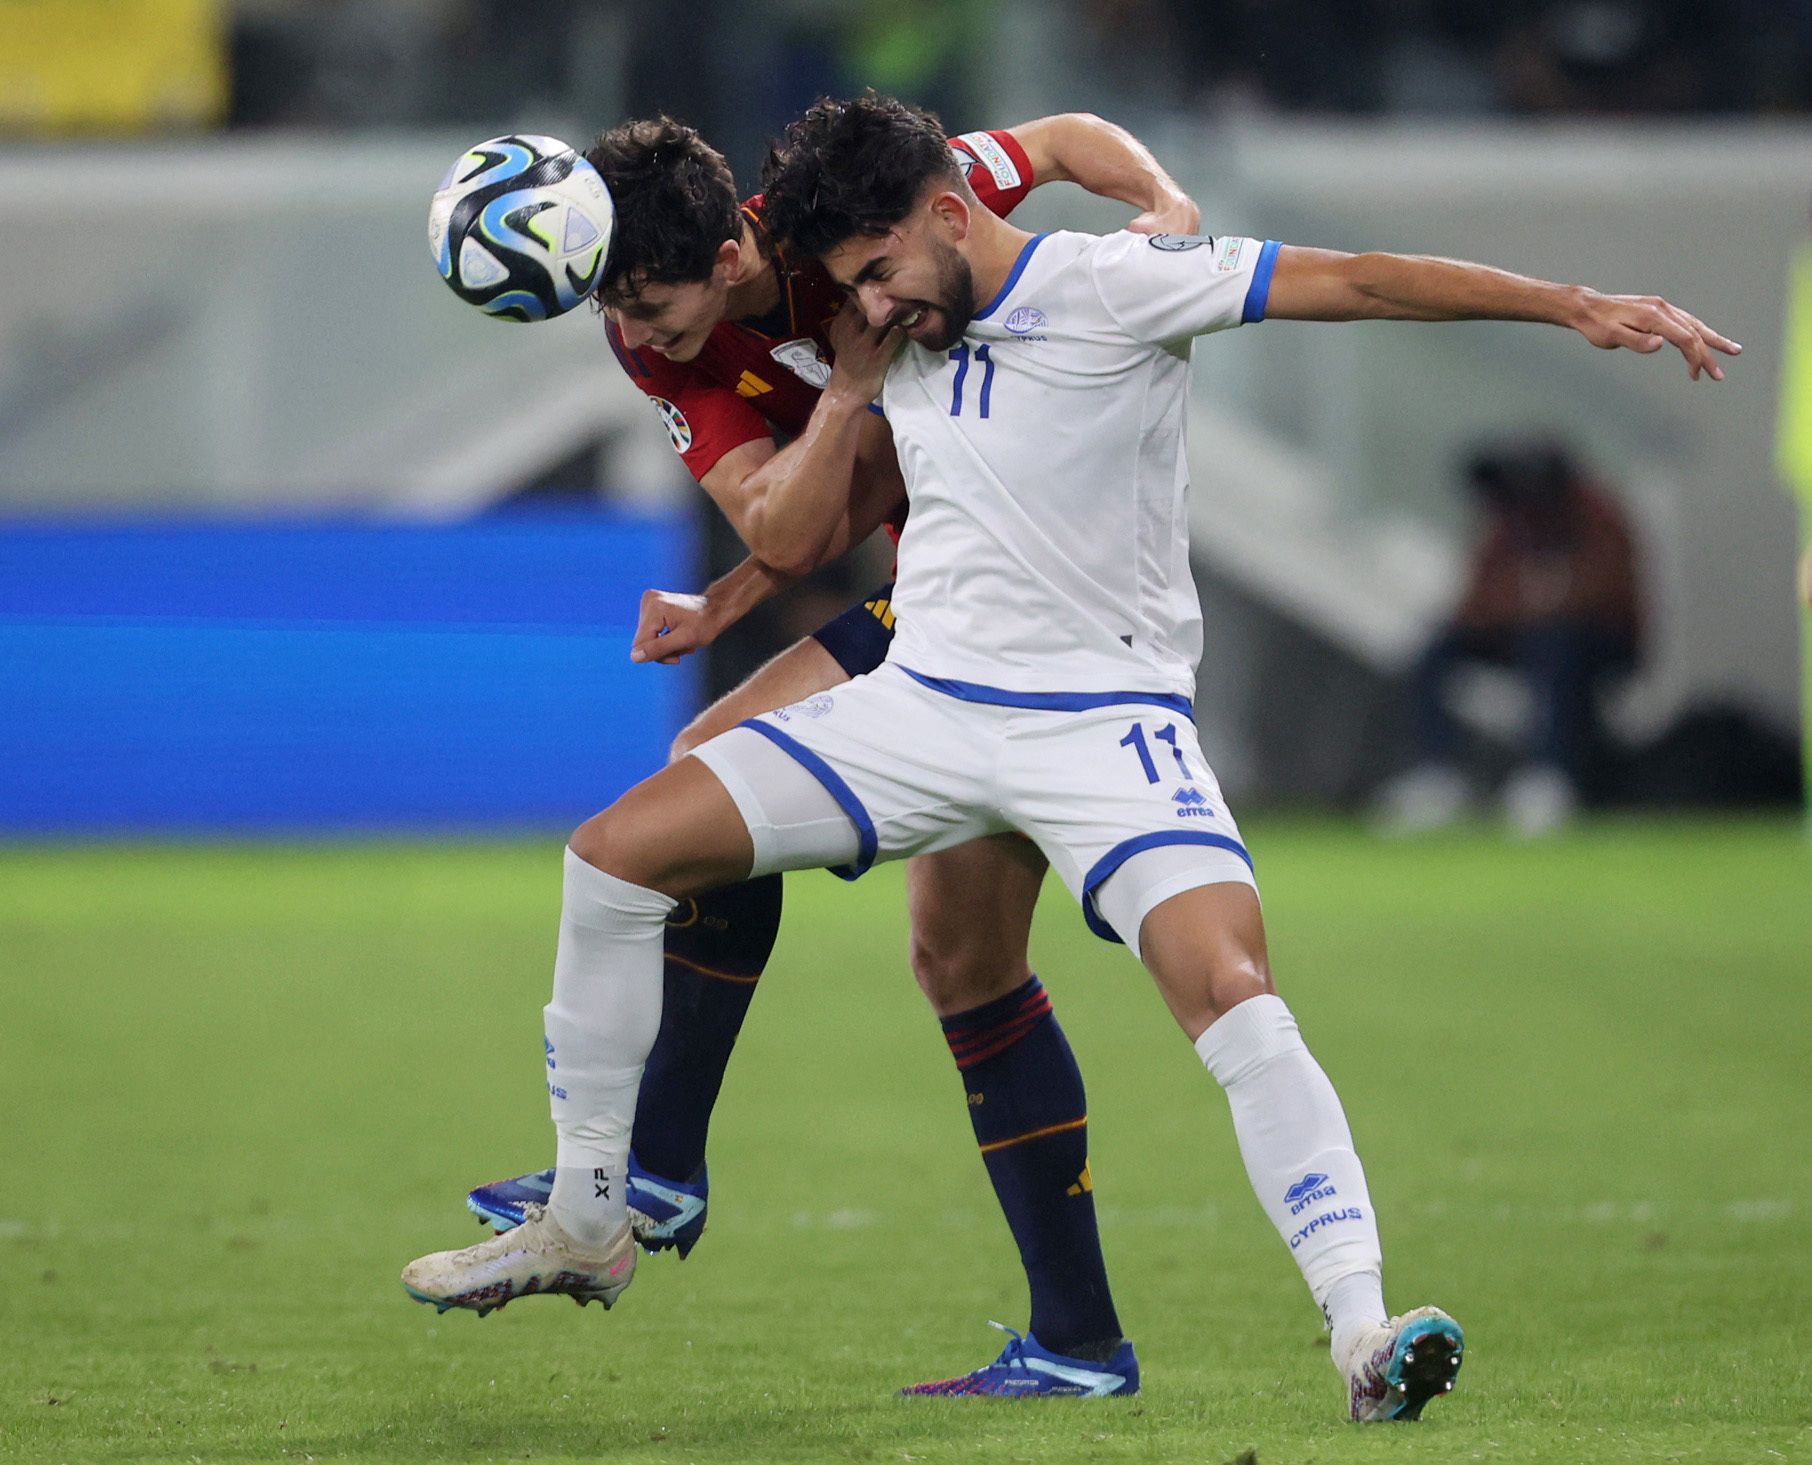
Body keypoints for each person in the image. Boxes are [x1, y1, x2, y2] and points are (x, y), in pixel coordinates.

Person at [403, 92, 1736, 1421]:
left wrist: (1569, 304)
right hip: (924, 689)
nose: (870, 306)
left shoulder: (1105, 281)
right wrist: (740, 588)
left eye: (879, 276)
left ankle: (1361, 1334)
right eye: (853, 287)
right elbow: (830, 501)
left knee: (1221, 984)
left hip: (1105, 722)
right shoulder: (871, 310)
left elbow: (1350, 275)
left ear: (939, 215)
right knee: (634, 845)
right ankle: (614, 1198)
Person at [460, 110, 1202, 1396]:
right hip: (936, 601)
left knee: (963, 961)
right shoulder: (657, 343)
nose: (636, 338)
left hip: (1035, 613)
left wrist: (1167, 206)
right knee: (715, 785)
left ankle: (1073, 1336)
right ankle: (667, 1167)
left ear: (739, 252)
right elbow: (795, 514)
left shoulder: (869, 208)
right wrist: (736, 590)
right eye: (617, 312)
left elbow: (1074, 137)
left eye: (653, 306)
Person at [1374, 439, 1645, 836]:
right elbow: (1475, 602)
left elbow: (1605, 596)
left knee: (1557, 649)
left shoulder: (1597, 515)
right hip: (1518, 637)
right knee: (1436, 651)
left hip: (1593, 643)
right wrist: (1526, 604)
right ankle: (1438, 775)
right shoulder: (1507, 525)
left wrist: (1536, 604)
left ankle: (1549, 777)